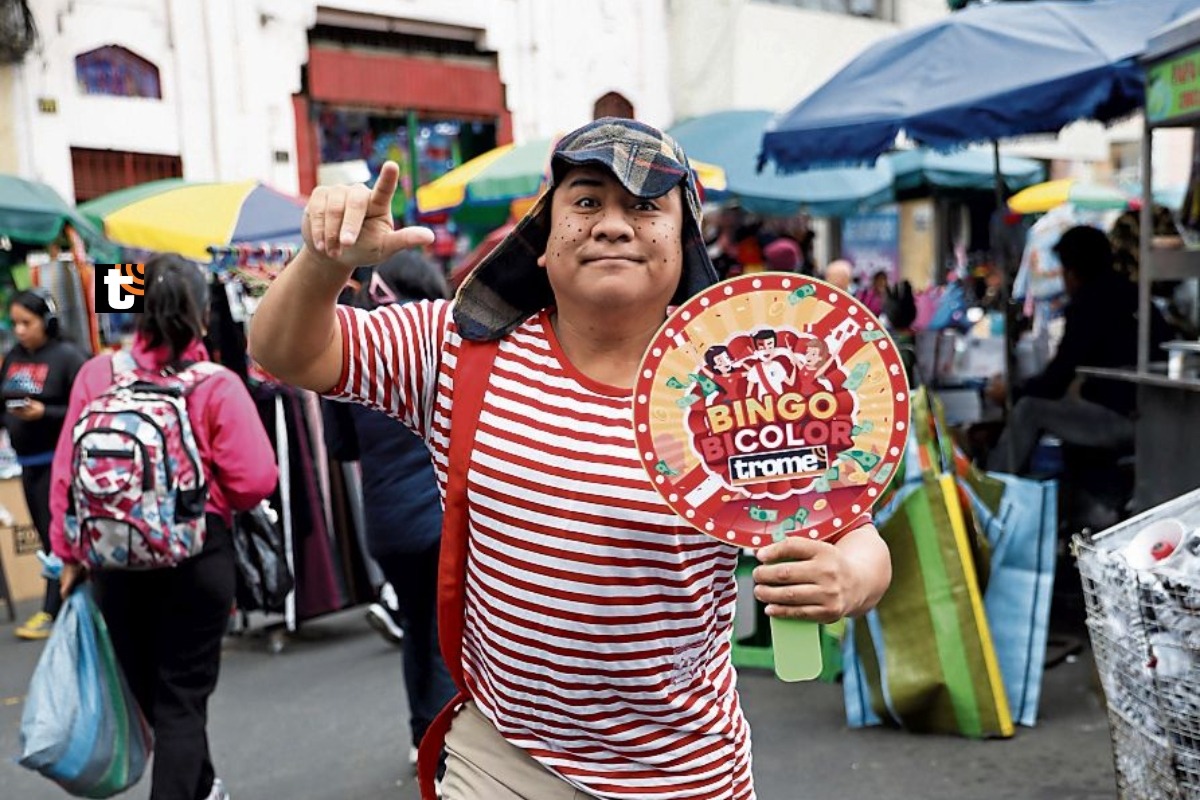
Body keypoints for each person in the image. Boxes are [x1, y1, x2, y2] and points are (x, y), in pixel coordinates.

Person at [249, 118, 891, 800]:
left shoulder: (745, 387)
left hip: (683, 774)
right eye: (586, 201)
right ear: (541, 243)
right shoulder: (455, 349)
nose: (613, 224)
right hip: (501, 761)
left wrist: (847, 578)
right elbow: (286, 352)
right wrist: (325, 261)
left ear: (685, 244)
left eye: (646, 207)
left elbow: (860, 539)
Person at [51, 254, 278, 800]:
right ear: (202, 313)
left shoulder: (97, 374)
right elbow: (255, 481)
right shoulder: (215, 384)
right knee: (182, 701)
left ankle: (203, 787)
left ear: (134, 307)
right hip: (195, 558)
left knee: (157, 698)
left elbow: (67, 477)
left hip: (112, 561)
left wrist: (68, 557)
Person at [322, 251, 457, 769]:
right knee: (447, 632)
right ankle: (445, 745)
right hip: (440, 514)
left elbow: (341, 447)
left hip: (385, 521)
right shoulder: (447, 348)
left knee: (416, 628)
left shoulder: (351, 353)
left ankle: (421, 734)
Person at [987, 226, 1172, 475]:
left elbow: (1055, 381)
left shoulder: (1089, 305)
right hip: (1155, 417)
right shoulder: (1133, 295)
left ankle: (990, 494)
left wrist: (1011, 392)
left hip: (1124, 420)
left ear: (1072, 272)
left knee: (1029, 410)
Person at [1, 288, 88, 639]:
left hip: (60, 463)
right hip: (28, 463)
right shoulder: (13, 358)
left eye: (27, 322)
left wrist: (44, 413)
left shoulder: (68, 357)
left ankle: (53, 609)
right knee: (45, 534)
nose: (20, 330)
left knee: (59, 535)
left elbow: (86, 408)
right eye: (15, 323)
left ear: (46, 322)